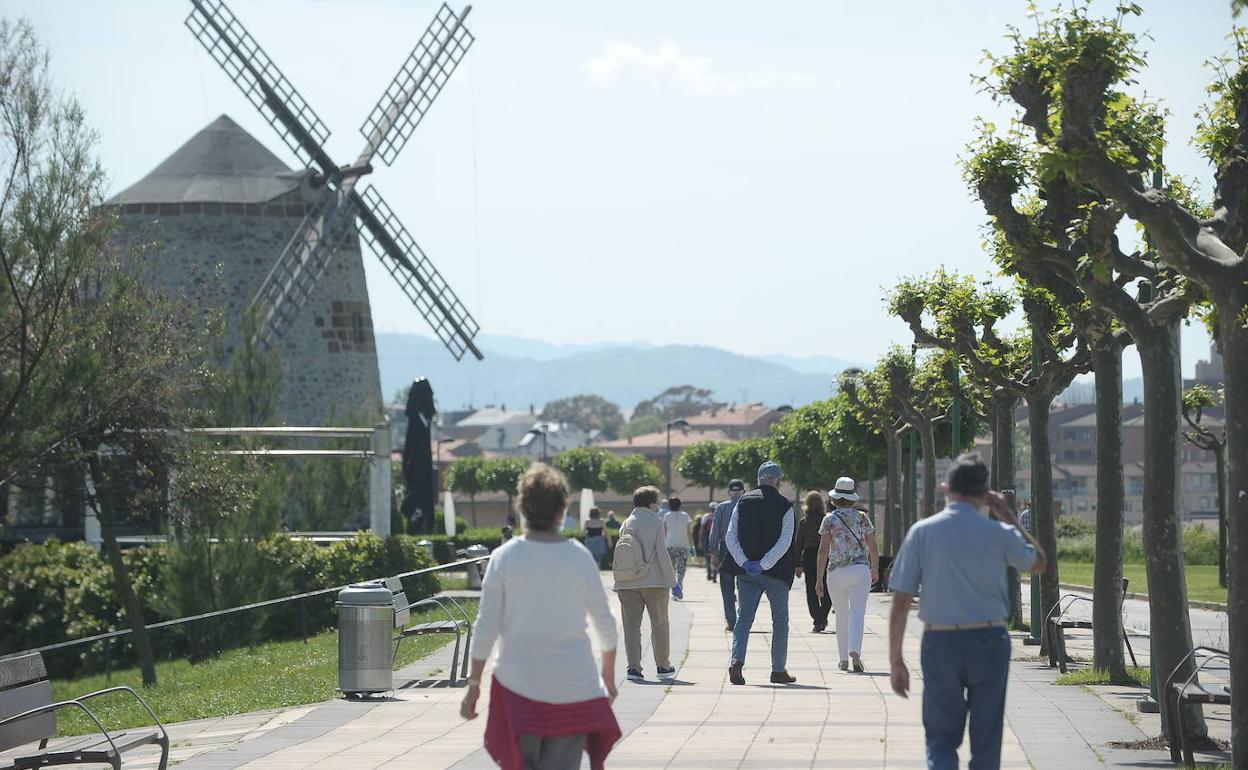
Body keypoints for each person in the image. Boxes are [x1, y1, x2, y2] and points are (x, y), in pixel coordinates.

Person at [888, 453, 1045, 770]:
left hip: (940, 641)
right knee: (987, 738)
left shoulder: (922, 532)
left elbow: (901, 601)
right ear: (986, 494)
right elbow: (1038, 562)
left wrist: (896, 660)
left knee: (941, 737)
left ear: (946, 488)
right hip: (990, 639)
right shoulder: (999, 533)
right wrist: (1010, 517)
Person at [461, 463, 621, 770]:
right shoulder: (578, 556)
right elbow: (606, 625)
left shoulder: (504, 557)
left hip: (517, 683)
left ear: (521, 507)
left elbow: (486, 627)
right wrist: (609, 678)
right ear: (562, 509)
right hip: (574, 686)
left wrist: (474, 684)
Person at [721, 461, 797, 686]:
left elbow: (730, 536)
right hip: (777, 574)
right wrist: (765, 563)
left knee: (743, 619)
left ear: (758, 479)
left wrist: (745, 562)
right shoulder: (785, 506)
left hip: (746, 573)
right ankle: (778, 670)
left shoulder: (742, 502)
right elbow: (785, 542)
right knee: (780, 621)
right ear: (779, 480)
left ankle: (737, 661)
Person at [613, 485, 678, 682]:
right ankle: (663, 666)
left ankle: (634, 668)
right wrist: (673, 580)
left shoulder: (626, 523)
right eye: (658, 502)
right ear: (651, 504)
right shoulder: (655, 522)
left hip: (626, 582)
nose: (659, 506)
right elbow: (662, 553)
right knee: (659, 624)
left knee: (631, 627)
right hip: (654, 582)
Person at [816, 477, 880, 672]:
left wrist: (819, 578)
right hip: (860, 570)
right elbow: (873, 546)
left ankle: (843, 658)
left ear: (835, 498)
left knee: (841, 615)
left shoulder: (829, 519)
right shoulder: (862, 517)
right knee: (857, 613)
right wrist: (875, 568)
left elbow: (823, 551)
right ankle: (855, 652)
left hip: (836, 572)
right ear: (852, 497)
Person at [707, 479, 746, 630]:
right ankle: (744, 618)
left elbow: (715, 531)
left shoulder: (720, 507)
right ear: (743, 491)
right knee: (744, 586)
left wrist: (713, 553)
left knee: (727, 588)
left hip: (725, 549)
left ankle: (731, 621)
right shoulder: (747, 505)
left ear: (729, 492)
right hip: (744, 549)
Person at [793, 490, 832, 632]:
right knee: (827, 588)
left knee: (811, 588)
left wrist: (797, 564)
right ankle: (823, 616)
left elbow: (798, 544)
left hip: (809, 556)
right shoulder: (827, 520)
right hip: (826, 555)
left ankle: (817, 619)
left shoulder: (804, 522)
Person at [663, 497, 693, 600]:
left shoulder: (666, 516)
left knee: (671, 569)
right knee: (681, 568)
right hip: (683, 545)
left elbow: (664, 531)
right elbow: (689, 532)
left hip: (669, 545)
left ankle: (674, 588)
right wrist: (692, 545)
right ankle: (679, 585)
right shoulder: (685, 515)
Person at [703, 503, 718, 582]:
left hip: (707, 538)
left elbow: (702, 528)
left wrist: (700, 539)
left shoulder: (706, 516)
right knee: (715, 556)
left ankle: (709, 572)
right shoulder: (719, 515)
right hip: (716, 537)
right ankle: (714, 573)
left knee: (708, 557)